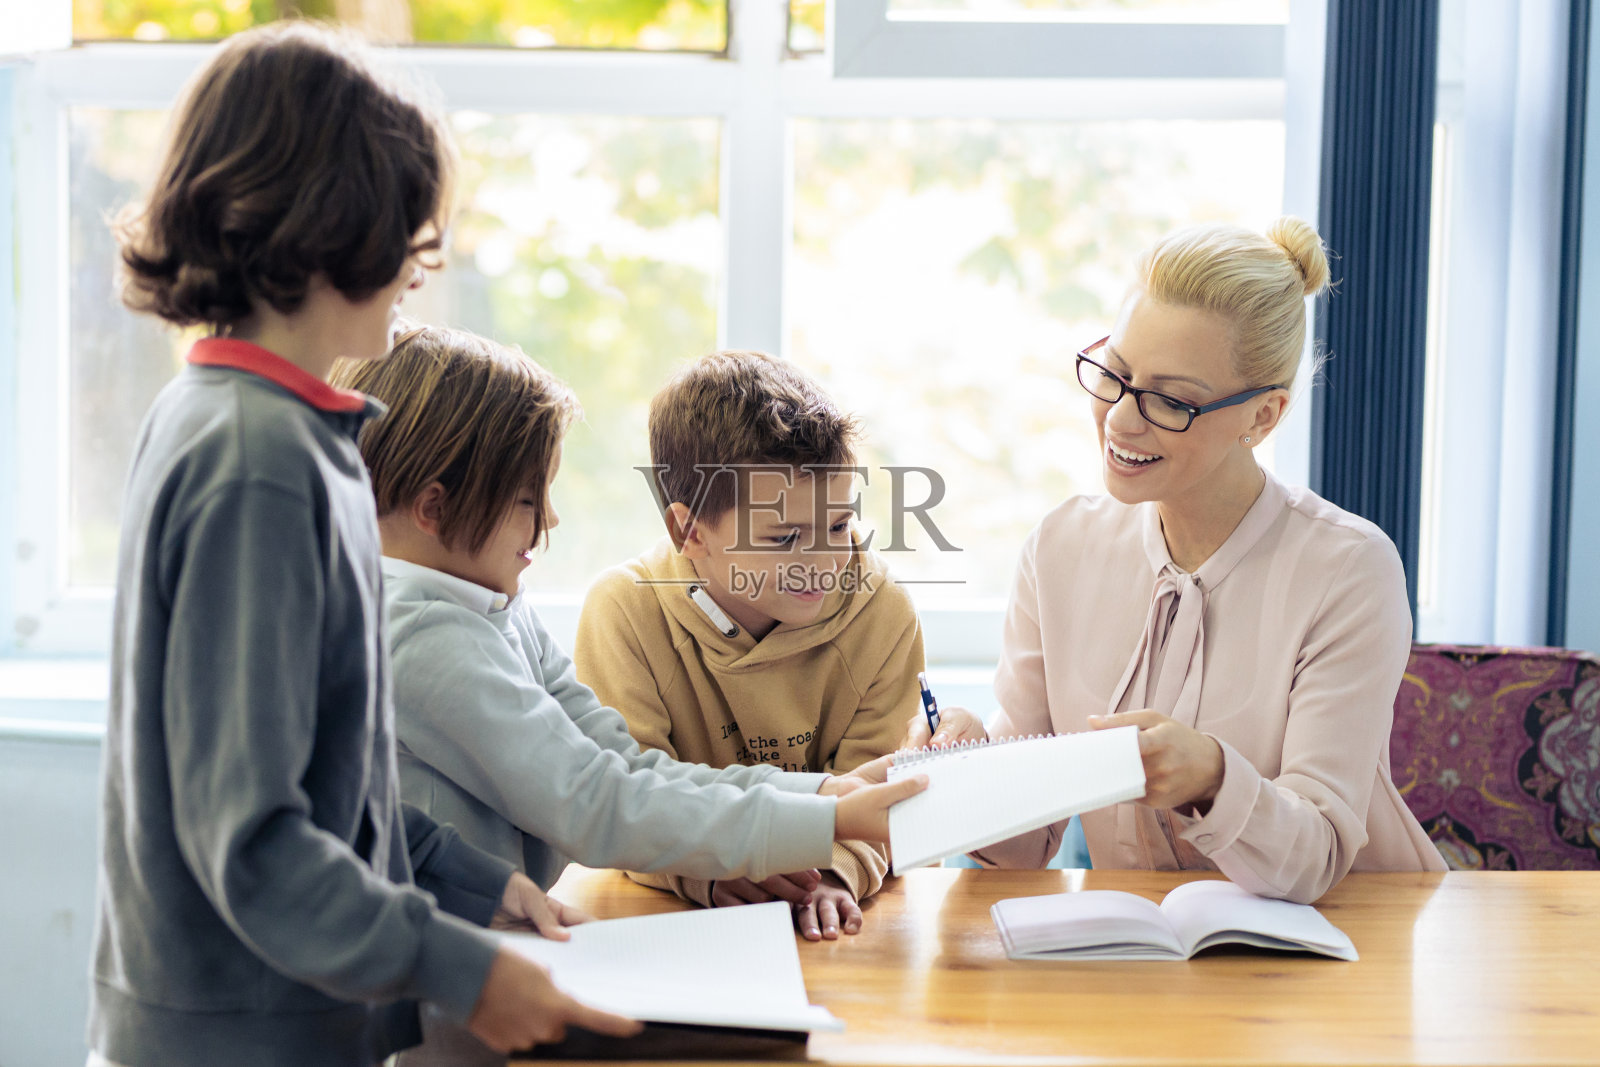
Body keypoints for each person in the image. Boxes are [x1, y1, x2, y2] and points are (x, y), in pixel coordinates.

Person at [89, 25, 636, 1067]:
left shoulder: (254, 420)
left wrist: (463, 879)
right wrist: (465, 966)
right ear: (330, 226)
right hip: (241, 1037)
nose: (417, 268)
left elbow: (318, 775)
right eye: (405, 229)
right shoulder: (256, 456)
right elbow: (250, 837)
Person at [330, 326, 926, 1067]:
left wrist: (823, 794)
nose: (549, 521)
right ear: (433, 506)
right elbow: (592, 799)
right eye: (527, 499)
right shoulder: (415, 632)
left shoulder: (493, 607)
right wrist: (829, 811)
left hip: (502, 953)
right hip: (441, 1002)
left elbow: (619, 758)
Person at [908, 218, 1446, 904]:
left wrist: (1215, 777)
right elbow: (1022, 842)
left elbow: (1316, 857)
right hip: (1140, 953)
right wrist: (962, 759)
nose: (1120, 420)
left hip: (1354, 940)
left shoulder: (1349, 569)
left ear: (1263, 416)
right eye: (1116, 374)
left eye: (1171, 400)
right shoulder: (1061, 547)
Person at [575, 351, 924, 941]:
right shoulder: (624, 612)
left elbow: (878, 792)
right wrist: (701, 875)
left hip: (843, 923)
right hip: (679, 929)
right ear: (689, 532)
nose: (822, 563)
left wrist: (837, 877)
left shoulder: (882, 613)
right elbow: (618, 796)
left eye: (838, 526)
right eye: (785, 536)